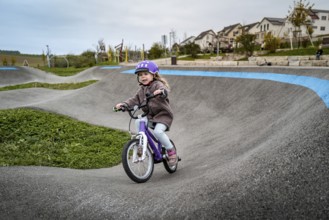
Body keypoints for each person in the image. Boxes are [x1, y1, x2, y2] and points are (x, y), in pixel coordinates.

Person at [115, 60, 177, 166]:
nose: (143, 77)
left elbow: (164, 90)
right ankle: (142, 144)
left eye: (145, 74)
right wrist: (124, 104)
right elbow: (134, 100)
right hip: (149, 115)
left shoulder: (157, 84)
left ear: (153, 74)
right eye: (140, 75)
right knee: (138, 122)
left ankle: (171, 152)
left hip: (163, 115)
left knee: (158, 132)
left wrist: (161, 92)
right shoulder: (142, 90)